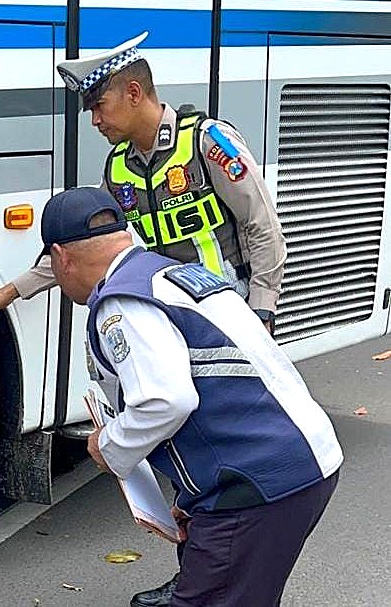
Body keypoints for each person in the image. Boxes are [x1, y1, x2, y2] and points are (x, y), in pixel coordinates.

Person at [41, 186, 342, 607]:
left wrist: (108, 447)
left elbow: (167, 401)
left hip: (257, 483)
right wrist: (195, 496)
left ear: (61, 256)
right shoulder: (169, 275)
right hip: (301, 464)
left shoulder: (121, 303)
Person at [0, 31, 286, 336]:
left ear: (133, 93)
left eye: (100, 107)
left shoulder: (207, 142)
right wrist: (9, 293)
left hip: (229, 313)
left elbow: (262, 225)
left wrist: (261, 311)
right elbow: (81, 244)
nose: (96, 120)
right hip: (172, 316)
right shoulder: (119, 168)